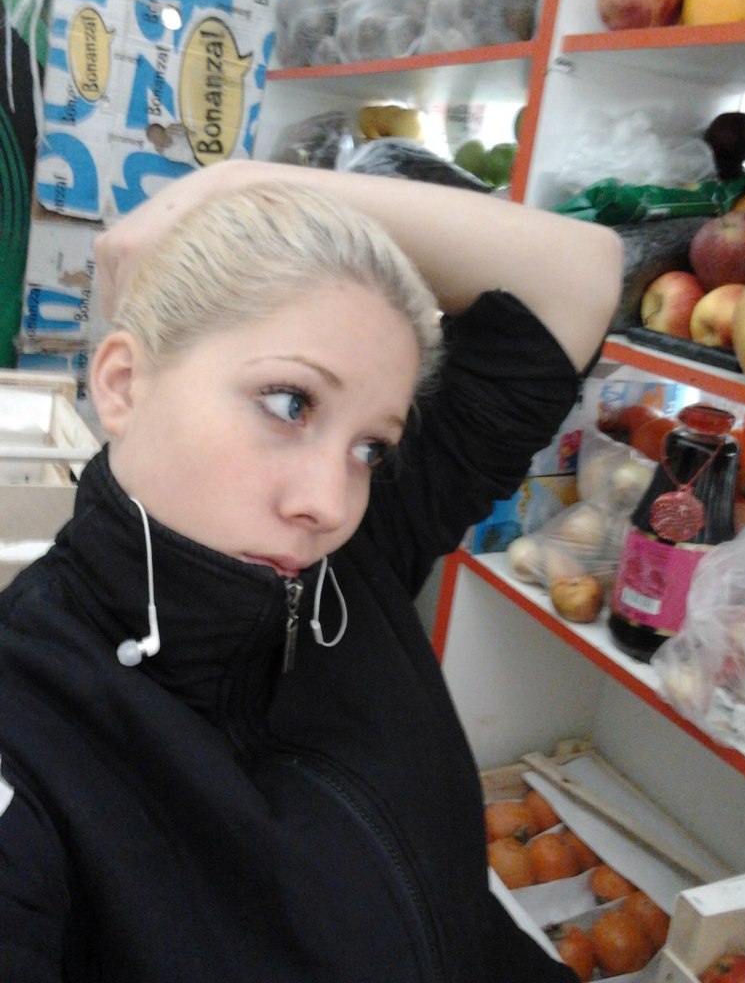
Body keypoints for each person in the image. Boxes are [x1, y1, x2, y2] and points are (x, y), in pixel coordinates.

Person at [0, 159, 622, 982]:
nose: (329, 504)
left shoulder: (355, 557)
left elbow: (582, 273)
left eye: (372, 447)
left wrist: (236, 185)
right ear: (122, 384)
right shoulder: (27, 724)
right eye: (289, 403)